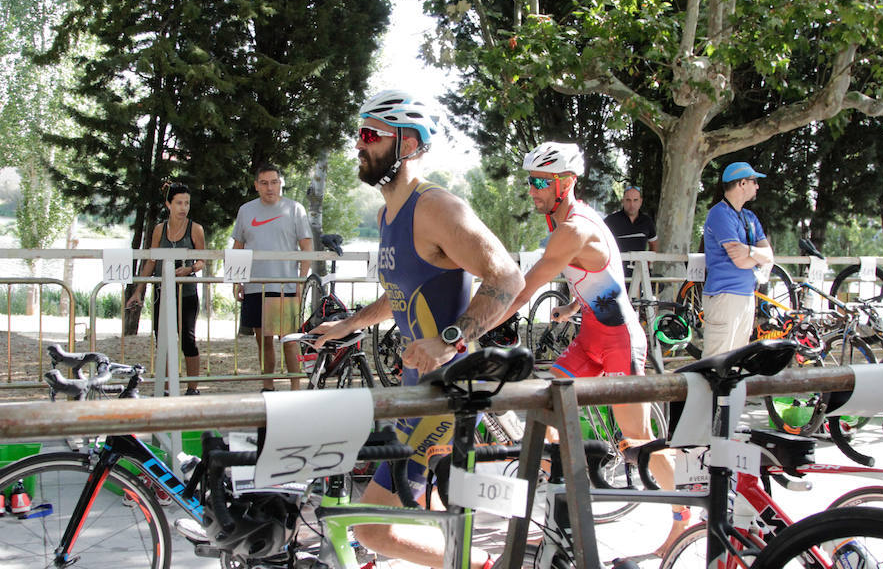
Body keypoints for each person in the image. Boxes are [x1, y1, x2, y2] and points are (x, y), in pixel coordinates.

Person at [310, 89, 524, 569]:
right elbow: (404, 292)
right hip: (419, 386)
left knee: (373, 528)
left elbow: (508, 277)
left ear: (407, 143)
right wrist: (348, 324)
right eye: (358, 134)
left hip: (446, 388)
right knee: (409, 515)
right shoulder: (389, 214)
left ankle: (480, 567)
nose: (359, 146)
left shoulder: (435, 208)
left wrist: (451, 340)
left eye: (370, 135)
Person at [494, 142, 686, 558]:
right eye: (530, 181)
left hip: (619, 342)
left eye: (541, 182)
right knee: (544, 409)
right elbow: (604, 277)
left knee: (637, 441)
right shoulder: (564, 222)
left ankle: (686, 517)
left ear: (567, 183)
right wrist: (572, 304)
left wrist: (482, 322)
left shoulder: (575, 227)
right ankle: (567, 497)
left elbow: (529, 284)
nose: (533, 190)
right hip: (590, 338)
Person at [232, 163, 313, 391]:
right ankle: (268, 386)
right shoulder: (246, 210)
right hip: (256, 285)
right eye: (265, 183)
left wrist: (301, 280)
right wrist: (238, 280)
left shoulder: (295, 209)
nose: (270, 187)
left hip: (285, 286)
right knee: (263, 341)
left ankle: (296, 388)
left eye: (274, 182)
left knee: (289, 341)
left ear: (281, 184)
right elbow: (238, 247)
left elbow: (307, 246)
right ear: (256, 185)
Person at [126, 182, 206, 396]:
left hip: (187, 293)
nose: (183, 207)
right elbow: (151, 262)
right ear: (168, 204)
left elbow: (202, 260)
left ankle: (192, 388)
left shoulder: (195, 229)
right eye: (179, 203)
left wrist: (189, 269)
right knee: (162, 339)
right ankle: (168, 387)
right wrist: (138, 290)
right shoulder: (160, 229)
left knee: (188, 339)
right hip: (162, 291)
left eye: (187, 203)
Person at [702, 161, 774, 358]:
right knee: (715, 364)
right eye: (754, 181)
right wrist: (755, 255)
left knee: (736, 363)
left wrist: (748, 251)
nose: (757, 186)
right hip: (724, 297)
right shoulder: (719, 213)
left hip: (745, 297)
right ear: (742, 183)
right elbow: (740, 261)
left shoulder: (749, 216)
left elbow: (769, 256)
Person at [604, 185, 658, 278]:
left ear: (640, 201)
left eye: (635, 200)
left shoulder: (647, 221)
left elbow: (654, 245)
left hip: (639, 276)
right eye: (628, 200)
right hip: (615, 276)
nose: (632, 204)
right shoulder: (611, 220)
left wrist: (646, 264)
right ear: (623, 201)